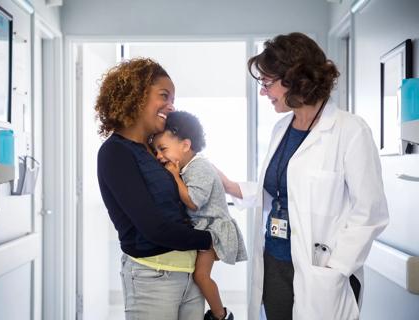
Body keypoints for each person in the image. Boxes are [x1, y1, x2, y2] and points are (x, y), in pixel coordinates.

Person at [217, 32, 389, 320]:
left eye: (267, 83)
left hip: (320, 270)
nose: (263, 92)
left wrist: (336, 269)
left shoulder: (350, 131)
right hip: (274, 263)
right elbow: (284, 192)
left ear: (296, 79)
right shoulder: (281, 129)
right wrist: (230, 186)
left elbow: (370, 212)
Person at [95, 58, 214, 320]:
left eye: (173, 99)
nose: (171, 106)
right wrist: (211, 240)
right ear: (135, 95)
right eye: (164, 96)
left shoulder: (155, 151)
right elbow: (154, 228)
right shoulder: (115, 152)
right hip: (152, 277)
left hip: (189, 273)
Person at [151, 111, 247, 320]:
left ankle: (220, 316)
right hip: (205, 227)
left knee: (201, 276)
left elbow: (194, 202)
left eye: (163, 149)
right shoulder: (189, 167)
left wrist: (175, 177)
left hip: (215, 229)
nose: (158, 155)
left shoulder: (199, 166)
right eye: (156, 150)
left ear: (185, 145)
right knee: (198, 275)